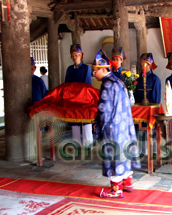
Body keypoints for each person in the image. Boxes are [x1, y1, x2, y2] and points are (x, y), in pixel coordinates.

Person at [92, 49, 140, 198]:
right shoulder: (118, 81)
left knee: (113, 155)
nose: (93, 74)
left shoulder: (107, 84)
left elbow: (104, 110)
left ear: (102, 69)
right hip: (124, 125)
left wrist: (98, 126)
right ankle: (128, 182)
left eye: (95, 71)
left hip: (113, 127)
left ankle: (116, 189)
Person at [65, 44, 93, 146]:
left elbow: (86, 85)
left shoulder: (86, 68)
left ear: (81, 55)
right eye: (72, 55)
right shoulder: (69, 69)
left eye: (76, 55)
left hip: (84, 100)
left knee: (85, 122)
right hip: (72, 101)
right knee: (74, 123)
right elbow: (66, 85)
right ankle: (76, 145)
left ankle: (87, 147)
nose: (74, 57)